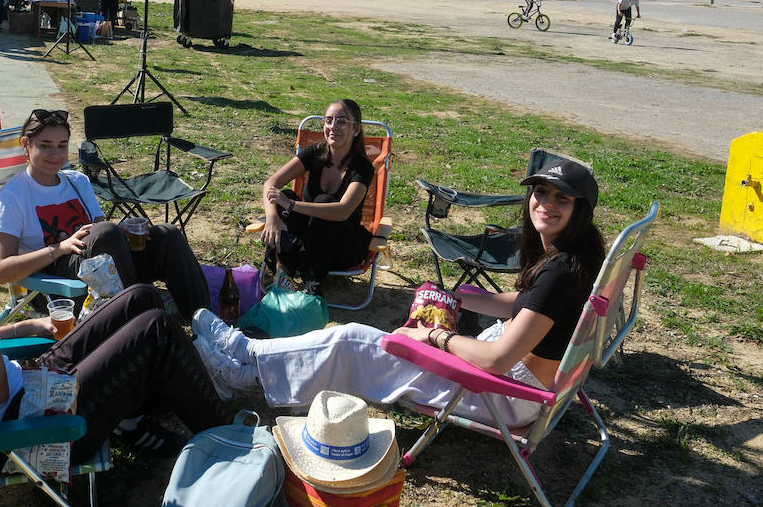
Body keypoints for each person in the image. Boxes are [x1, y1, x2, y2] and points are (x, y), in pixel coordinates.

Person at [194, 158, 607, 429]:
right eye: (541, 192)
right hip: (509, 380)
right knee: (358, 344)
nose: (545, 204)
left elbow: (499, 360)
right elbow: (525, 308)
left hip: (503, 396)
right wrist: (458, 299)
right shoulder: (573, 259)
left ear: (580, 210)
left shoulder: (559, 272)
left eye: (561, 199)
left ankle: (243, 366)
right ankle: (245, 355)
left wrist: (435, 337)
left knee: (352, 341)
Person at [0, 207, 231, 470]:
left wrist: (25, 327)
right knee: (155, 330)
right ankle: (230, 439)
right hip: (15, 434)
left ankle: (135, 415)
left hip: (27, 388)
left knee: (140, 297)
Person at [0, 108, 211, 321]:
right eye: (45, 146)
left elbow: (101, 236)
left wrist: (122, 234)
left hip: (101, 275)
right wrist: (59, 249)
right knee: (105, 232)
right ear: (26, 146)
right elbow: (1, 271)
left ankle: (208, 325)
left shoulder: (77, 181)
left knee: (167, 235)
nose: (55, 154)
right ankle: (141, 317)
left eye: (62, 145)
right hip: (56, 287)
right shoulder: (13, 196)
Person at [260, 99, 374, 294]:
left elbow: (342, 211)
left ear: (356, 129)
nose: (333, 127)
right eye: (329, 120)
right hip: (309, 243)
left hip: (344, 247)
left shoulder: (362, 167)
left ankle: (312, 283)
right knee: (283, 197)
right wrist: (272, 218)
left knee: (322, 202)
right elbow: (271, 184)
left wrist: (292, 205)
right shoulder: (316, 152)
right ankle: (283, 275)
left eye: (342, 121)